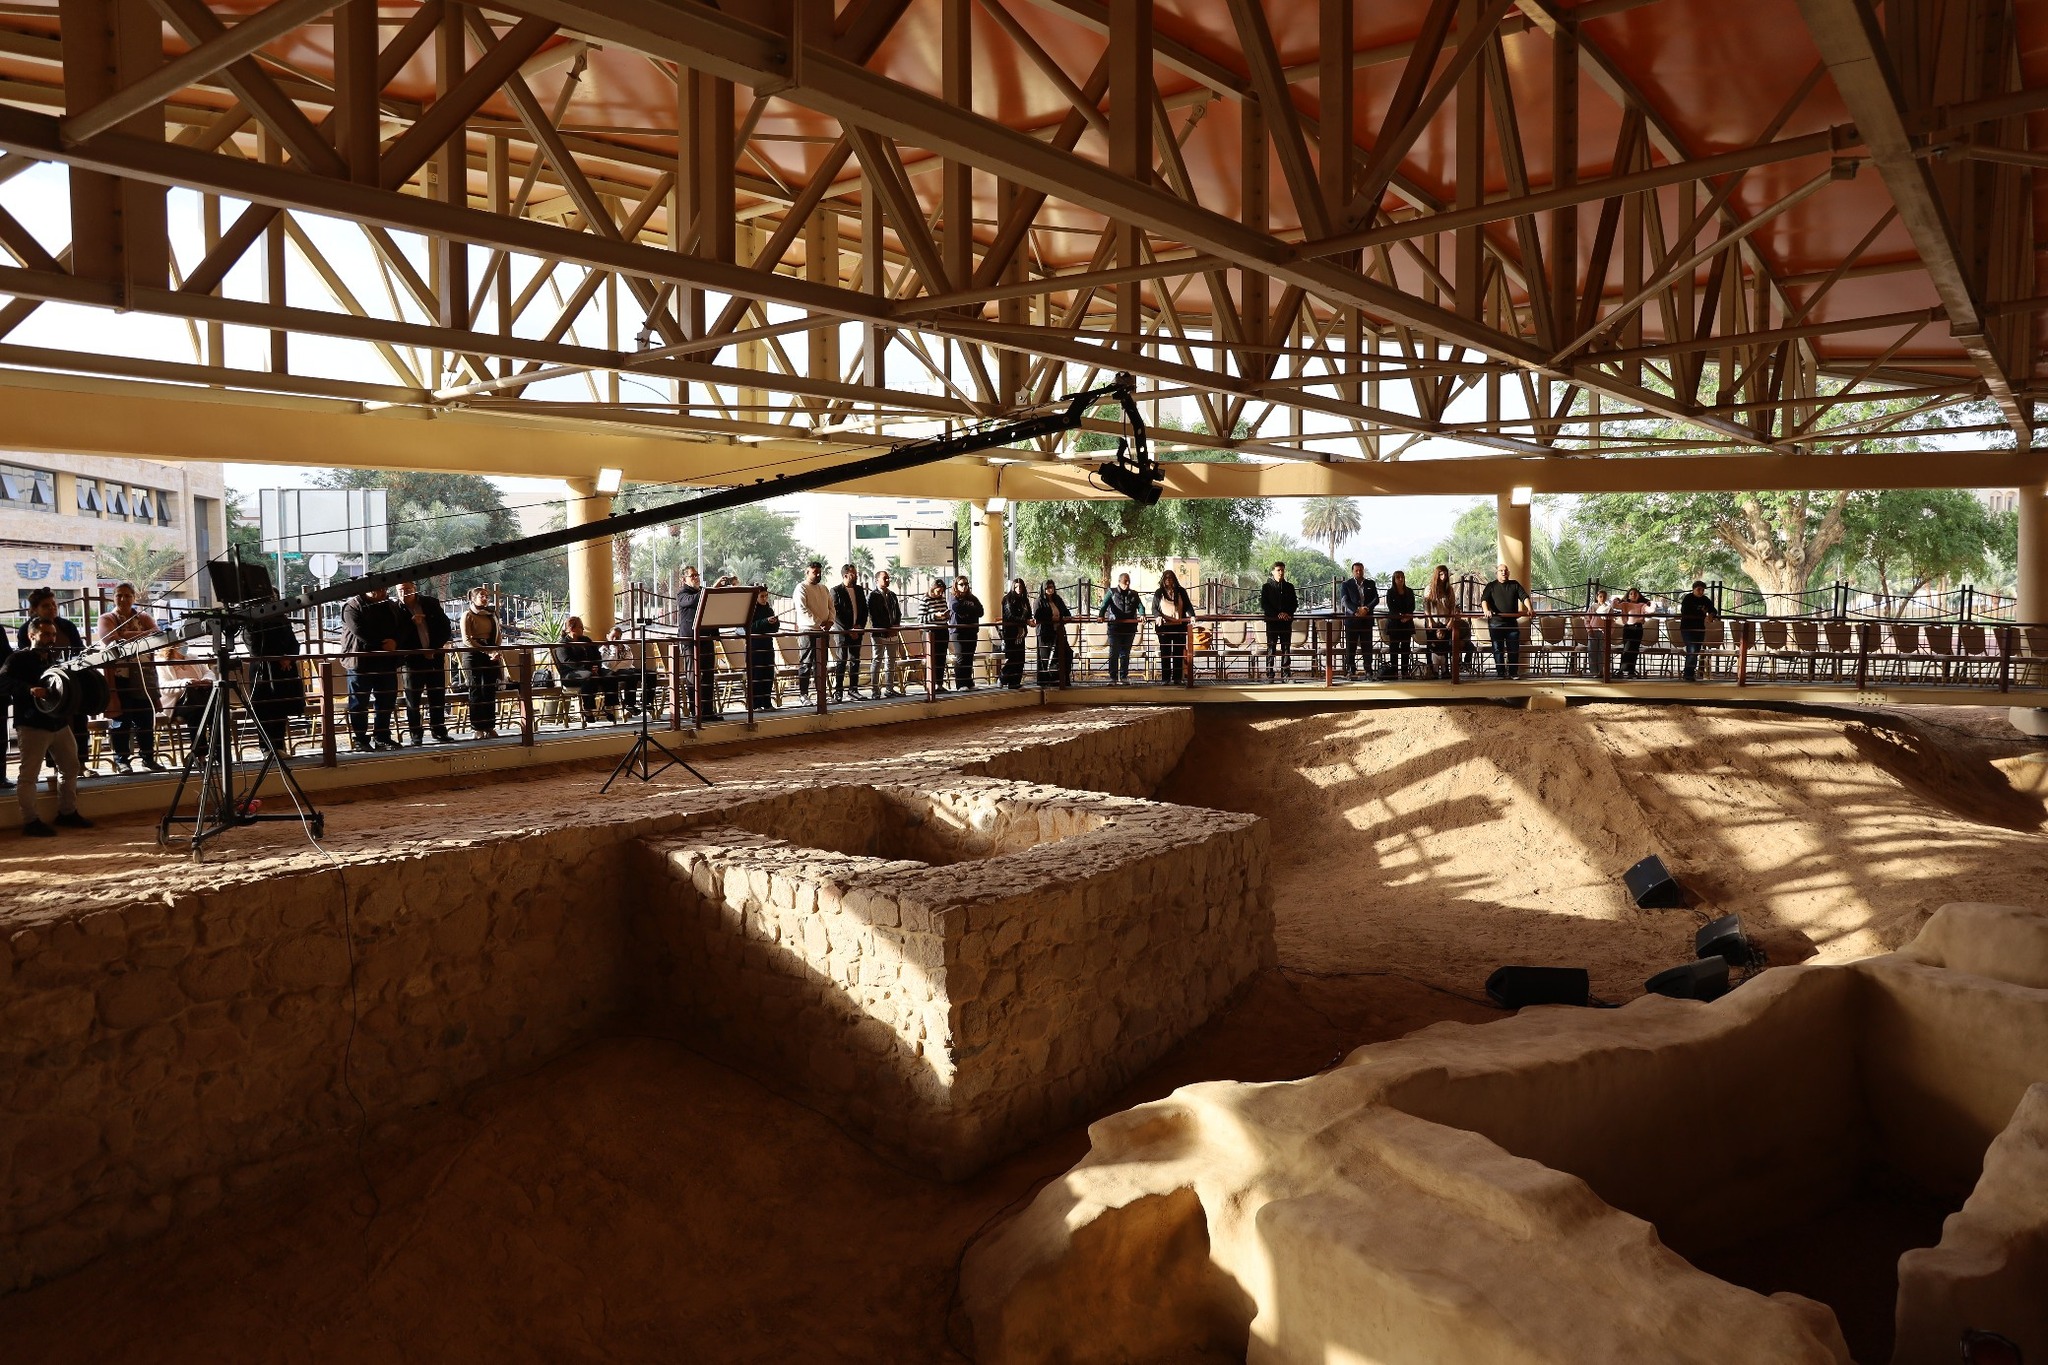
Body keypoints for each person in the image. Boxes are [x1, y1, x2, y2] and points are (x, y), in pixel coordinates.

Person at [4, 619, 93, 836]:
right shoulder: (17, 658)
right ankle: (30, 821)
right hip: (32, 724)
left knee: (71, 767)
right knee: (29, 775)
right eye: (45, 635)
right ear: (31, 635)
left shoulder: (53, 659)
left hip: (58, 723)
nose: (51, 639)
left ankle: (67, 812)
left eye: (53, 635)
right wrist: (29, 689)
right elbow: (2, 681)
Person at [17, 589, 89, 769]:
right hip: (45, 686)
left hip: (71, 682)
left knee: (79, 721)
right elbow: (28, 659)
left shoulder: (67, 626)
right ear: (34, 609)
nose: (52, 608)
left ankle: (81, 764)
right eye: (46, 606)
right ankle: (55, 766)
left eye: (54, 605)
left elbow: (79, 651)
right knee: (49, 725)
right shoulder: (27, 630)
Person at [97, 582, 164, 773]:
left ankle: (148, 759)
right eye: (119, 595)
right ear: (113, 597)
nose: (123, 599)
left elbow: (157, 635)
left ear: (134, 597)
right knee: (122, 721)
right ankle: (122, 761)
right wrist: (143, 634)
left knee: (145, 720)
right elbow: (110, 638)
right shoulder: (106, 618)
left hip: (143, 675)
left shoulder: (143, 616)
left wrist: (125, 634)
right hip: (120, 677)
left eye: (127, 595)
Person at [340, 585, 403, 752]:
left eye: (384, 589)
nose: (382, 592)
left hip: (386, 661)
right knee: (359, 702)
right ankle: (360, 739)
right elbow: (359, 631)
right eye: (378, 589)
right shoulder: (352, 606)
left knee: (386, 701)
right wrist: (384, 644)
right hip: (360, 662)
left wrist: (395, 642)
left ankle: (382, 736)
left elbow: (402, 627)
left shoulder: (390, 605)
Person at [393, 580, 455, 745]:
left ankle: (439, 730)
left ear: (414, 589)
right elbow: (396, 636)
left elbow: (445, 627)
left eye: (407, 589)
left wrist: (433, 648)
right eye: (400, 590)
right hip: (411, 661)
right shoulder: (394, 609)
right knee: (413, 699)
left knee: (437, 696)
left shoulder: (430, 603)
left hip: (434, 657)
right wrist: (411, 623)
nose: (404, 593)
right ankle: (416, 734)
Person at [245, 592, 305, 757]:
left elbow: (294, 643)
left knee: (281, 709)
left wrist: (288, 658)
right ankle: (266, 748)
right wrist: (279, 657)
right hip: (263, 671)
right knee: (264, 709)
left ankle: (279, 746)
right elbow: (254, 648)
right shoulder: (252, 620)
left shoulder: (282, 619)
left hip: (284, 671)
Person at [675, 565, 721, 721]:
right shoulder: (682, 594)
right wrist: (711, 589)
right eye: (692, 575)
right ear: (684, 579)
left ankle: (707, 711)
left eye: (697, 575)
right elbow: (693, 600)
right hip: (690, 641)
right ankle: (696, 712)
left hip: (706, 639)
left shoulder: (703, 592)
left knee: (708, 675)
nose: (696, 577)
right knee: (693, 676)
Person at [552, 616, 618, 722]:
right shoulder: (563, 644)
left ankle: (608, 706)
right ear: (572, 628)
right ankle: (588, 709)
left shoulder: (586, 640)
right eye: (580, 627)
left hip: (591, 669)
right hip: (571, 673)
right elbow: (569, 662)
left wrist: (596, 666)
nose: (583, 629)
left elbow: (597, 655)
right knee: (589, 676)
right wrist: (589, 668)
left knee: (611, 674)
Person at [460, 586, 503, 738]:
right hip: (473, 655)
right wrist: (487, 651)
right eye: (481, 596)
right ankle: (477, 727)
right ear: (473, 599)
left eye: (486, 596)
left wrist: (496, 650)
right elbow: (467, 640)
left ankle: (489, 726)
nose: (485, 598)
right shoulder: (467, 615)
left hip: (491, 653)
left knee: (489, 690)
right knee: (476, 689)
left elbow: (498, 634)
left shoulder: (492, 614)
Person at [1480, 562, 1531, 679]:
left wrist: (1530, 608)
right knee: (1498, 649)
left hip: (1511, 624)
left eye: (1506, 570)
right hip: (1495, 624)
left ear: (1508, 573)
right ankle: (1500, 673)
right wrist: (1486, 610)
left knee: (1513, 649)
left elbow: (1524, 596)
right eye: (1501, 571)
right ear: (1496, 573)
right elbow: (1484, 599)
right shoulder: (1491, 586)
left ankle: (1513, 673)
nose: (1504, 572)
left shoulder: (1514, 584)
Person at [792, 561, 833, 701]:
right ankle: (803, 694)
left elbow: (831, 607)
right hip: (808, 630)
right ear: (807, 572)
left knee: (821, 664)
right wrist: (819, 622)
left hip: (823, 631)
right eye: (815, 572)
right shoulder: (801, 588)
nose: (818, 575)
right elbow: (802, 609)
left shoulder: (824, 588)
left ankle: (821, 694)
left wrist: (830, 621)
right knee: (806, 663)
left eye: (820, 572)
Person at [830, 564, 869, 701]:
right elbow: (836, 613)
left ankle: (853, 690)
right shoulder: (836, 591)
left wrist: (859, 627)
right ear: (845, 575)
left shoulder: (859, 590)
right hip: (842, 632)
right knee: (841, 661)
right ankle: (838, 691)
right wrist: (849, 629)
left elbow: (864, 610)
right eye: (853, 574)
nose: (856, 576)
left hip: (857, 632)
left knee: (855, 661)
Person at [867, 569, 905, 697]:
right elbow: (874, 616)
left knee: (891, 661)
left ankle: (889, 689)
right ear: (877, 580)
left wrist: (895, 627)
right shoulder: (872, 596)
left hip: (893, 633)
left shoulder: (892, 595)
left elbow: (898, 613)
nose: (888, 580)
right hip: (879, 634)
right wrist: (887, 628)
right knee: (877, 661)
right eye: (885, 578)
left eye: (888, 578)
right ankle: (875, 690)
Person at [1337, 562, 1378, 681]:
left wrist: (1367, 609)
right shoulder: (1346, 584)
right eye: (1356, 570)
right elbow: (1344, 600)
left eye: (1361, 570)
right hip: (1352, 620)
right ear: (1353, 572)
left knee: (1367, 646)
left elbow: (1376, 599)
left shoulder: (1370, 583)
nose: (1359, 572)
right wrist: (1357, 610)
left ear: (1363, 570)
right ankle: (1351, 670)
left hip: (1367, 619)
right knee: (1351, 647)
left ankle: (1368, 670)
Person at [1100, 572, 1142, 685]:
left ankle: (1124, 677)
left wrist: (1142, 614)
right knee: (1113, 653)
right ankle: (1113, 678)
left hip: (1129, 629)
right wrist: (1101, 615)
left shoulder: (1134, 594)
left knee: (1125, 654)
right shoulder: (1111, 592)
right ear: (1119, 582)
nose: (1127, 583)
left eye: (1129, 581)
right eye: (1125, 581)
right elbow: (1104, 605)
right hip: (1114, 628)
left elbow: (1140, 606)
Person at [1153, 569, 1194, 684]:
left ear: (1174, 579)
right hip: (1164, 628)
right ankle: (1165, 679)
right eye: (1166, 577)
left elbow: (1188, 605)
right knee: (1165, 653)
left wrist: (1192, 616)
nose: (1168, 579)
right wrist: (1157, 616)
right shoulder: (1159, 592)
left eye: (1170, 577)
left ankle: (1177, 678)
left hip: (1179, 627)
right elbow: (1154, 608)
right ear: (1163, 579)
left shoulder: (1181, 591)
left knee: (1178, 653)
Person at [1260, 561, 1298, 681]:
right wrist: (1277, 615)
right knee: (1271, 648)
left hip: (1286, 622)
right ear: (1273, 572)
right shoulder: (1266, 587)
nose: (1281, 572)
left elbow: (1294, 604)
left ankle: (1286, 674)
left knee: (1286, 648)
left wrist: (1286, 613)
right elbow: (1264, 605)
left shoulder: (1289, 587)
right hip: (1272, 622)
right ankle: (1270, 674)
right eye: (1278, 570)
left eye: (1282, 570)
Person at [1422, 564, 1460, 681]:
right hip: (1432, 621)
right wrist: (1430, 620)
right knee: (1432, 646)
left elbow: (1453, 606)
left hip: (1445, 621)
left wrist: (1451, 620)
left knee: (1446, 646)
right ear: (1437, 575)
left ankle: (1445, 670)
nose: (1443, 576)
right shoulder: (1429, 588)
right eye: (1441, 574)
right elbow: (1426, 605)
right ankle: (1432, 670)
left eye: (1445, 574)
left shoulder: (1449, 589)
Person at [1679, 580, 1722, 683]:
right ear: (1693, 589)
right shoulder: (1688, 598)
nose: (1701, 592)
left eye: (1703, 590)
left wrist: (1711, 615)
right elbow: (1685, 611)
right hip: (1688, 628)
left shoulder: (1705, 599)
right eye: (1699, 589)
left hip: (1700, 629)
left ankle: (1689, 672)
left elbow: (1713, 610)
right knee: (1692, 650)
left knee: (1695, 651)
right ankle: (1688, 674)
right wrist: (1702, 612)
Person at [747, 586, 780, 710]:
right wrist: (765, 622)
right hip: (755, 646)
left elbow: (775, 628)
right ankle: (755, 704)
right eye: (762, 596)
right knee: (757, 675)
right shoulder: (750, 610)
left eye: (766, 596)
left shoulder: (769, 610)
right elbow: (750, 627)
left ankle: (767, 702)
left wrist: (774, 622)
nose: (765, 598)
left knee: (768, 674)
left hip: (767, 645)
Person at [1036, 579, 1074, 687]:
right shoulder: (1039, 601)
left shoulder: (1058, 599)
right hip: (1045, 634)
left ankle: (1063, 678)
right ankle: (1047, 681)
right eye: (1048, 587)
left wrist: (1065, 618)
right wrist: (1051, 618)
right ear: (1044, 589)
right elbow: (1038, 616)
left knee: (1067, 653)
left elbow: (1066, 612)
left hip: (1059, 632)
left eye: (1052, 587)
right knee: (1046, 658)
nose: (1050, 589)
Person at [948, 576, 984, 690]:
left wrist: (968, 609)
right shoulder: (953, 598)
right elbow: (957, 608)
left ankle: (969, 682)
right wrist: (971, 609)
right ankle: (960, 684)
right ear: (956, 586)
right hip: (958, 632)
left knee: (969, 657)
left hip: (972, 632)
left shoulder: (973, 598)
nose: (964, 586)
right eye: (961, 584)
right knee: (961, 658)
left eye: (966, 584)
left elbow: (981, 611)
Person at [999, 577, 1032, 689]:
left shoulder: (1024, 600)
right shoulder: (1007, 599)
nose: (1019, 589)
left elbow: (1029, 614)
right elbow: (1010, 616)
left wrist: (1029, 620)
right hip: (1011, 633)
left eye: (1020, 587)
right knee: (1013, 658)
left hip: (1021, 633)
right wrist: (1025, 621)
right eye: (1016, 587)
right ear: (1013, 587)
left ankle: (1015, 682)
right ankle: (1003, 677)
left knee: (1020, 659)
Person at [1384, 570, 1416, 679]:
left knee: (1406, 648)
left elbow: (1412, 606)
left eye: (1402, 577)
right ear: (1394, 579)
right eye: (1398, 577)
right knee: (1394, 648)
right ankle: (1394, 671)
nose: (1400, 579)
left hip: (1407, 623)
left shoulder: (1409, 591)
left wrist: (1407, 616)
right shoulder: (1390, 592)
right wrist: (1400, 616)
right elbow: (1391, 607)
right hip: (1395, 624)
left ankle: (1405, 671)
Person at [920, 581, 951, 692]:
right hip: (931, 632)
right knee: (932, 659)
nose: (940, 593)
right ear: (933, 589)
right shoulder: (925, 600)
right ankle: (931, 684)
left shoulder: (942, 599)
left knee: (941, 658)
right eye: (938, 591)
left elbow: (946, 613)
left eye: (942, 591)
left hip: (943, 631)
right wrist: (935, 616)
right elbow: (921, 619)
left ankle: (939, 684)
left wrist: (946, 616)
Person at [1614, 586, 1650, 679]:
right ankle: (1622, 670)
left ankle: (1631, 671)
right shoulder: (1625, 604)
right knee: (1627, 649)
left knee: (1634, 650)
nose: (1633, 595)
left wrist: (1651, 604)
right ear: (1628, 596)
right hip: (1628, 628)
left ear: (1638, 595)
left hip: (1638, 628)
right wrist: (1616, 599)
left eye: (1635, 593)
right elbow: (1615, 606)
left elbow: (1651, 610)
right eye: (1631, 594)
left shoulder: (1642, 605)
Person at [1583, 590, 1613, 676]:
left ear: (1606, 598)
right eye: (1600, 596)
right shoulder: (1593, 607)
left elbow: (1612, 622)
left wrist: (1609, 632)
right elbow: (1587, 619)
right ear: (1597, 597)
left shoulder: (1609, 608)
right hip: (1593, 631)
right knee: (1592, 652)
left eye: (1604, 597)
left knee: (1602, 652)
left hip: (1604, 632)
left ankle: (1601, 671)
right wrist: (1589, 630)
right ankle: (1594, 672)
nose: (1602, 598)